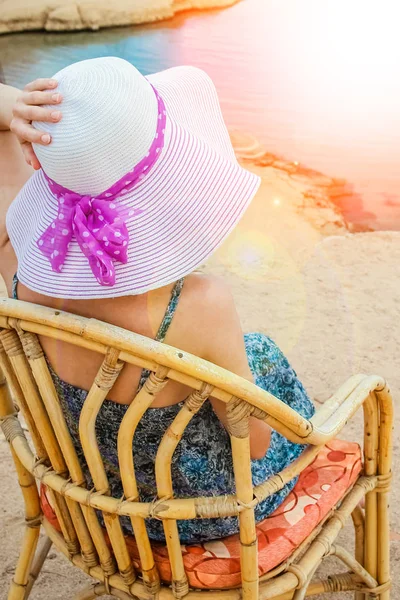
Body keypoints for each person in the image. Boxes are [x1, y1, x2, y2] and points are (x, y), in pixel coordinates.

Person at [0, 57, 314, 544]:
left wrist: (17, 106)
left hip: (90, 493)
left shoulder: (19, 267)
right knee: (265, 364)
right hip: (193, 513)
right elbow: (254, 445)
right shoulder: (201, 305)